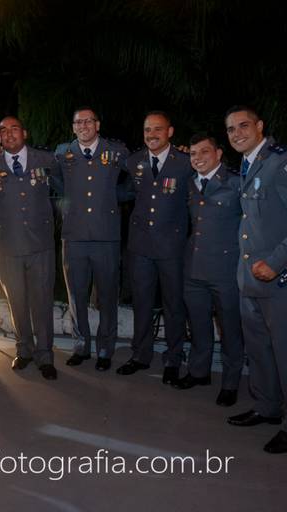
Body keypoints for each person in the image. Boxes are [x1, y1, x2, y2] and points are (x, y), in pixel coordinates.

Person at [224, 105, 287, 454]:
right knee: (259, 350)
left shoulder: (284, 164)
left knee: (286, 353)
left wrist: (277, 263)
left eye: (243, 126)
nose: (237, 133)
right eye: (231, 129)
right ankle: (267, 406)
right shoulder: (248, 165)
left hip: (283, 281)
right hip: (251, 280)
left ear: (260, 126)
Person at [0, 116, 58, 380]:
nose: (9, 134)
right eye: (3, 131)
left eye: (14, 129)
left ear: (25, 133)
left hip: (40, 245)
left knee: (42, 302)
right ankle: (24, 350)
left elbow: (64, 189)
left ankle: (45, 355)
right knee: (17, 301)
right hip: (8, 247)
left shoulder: (45, 159)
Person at [51, 107, 129, 371]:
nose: (83, 126)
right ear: (73, 127)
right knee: (76, 296)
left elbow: (137, 174)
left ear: (97, 125)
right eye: (78, 122)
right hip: (74, 236)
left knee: (107, 296)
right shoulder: (62, 152)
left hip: (106, 236)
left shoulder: (117, 151)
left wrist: (114, 197)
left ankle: (105, 349)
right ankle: (81, 346)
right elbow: (55, 180)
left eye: (88, 121)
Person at [116, 111, 190, 383]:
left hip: (172, 247)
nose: (152, 134)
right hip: (141, 247)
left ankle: (173, 359)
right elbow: (123, 192)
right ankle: (140, 355)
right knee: (142, 303)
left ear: (170, 132)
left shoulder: (185, 162)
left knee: (174, 305)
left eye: (158, 129)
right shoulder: (134, 161)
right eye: (147, 130)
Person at [175, 133, 243, 406]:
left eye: (204, 152)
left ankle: (230, 383)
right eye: (193, 154)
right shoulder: (190, 183)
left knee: (230, 329)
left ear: (218, 154)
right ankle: (198, 371)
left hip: (226, 269)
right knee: (198, 325)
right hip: (194, 267)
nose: (198, 158)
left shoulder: (236, 182)